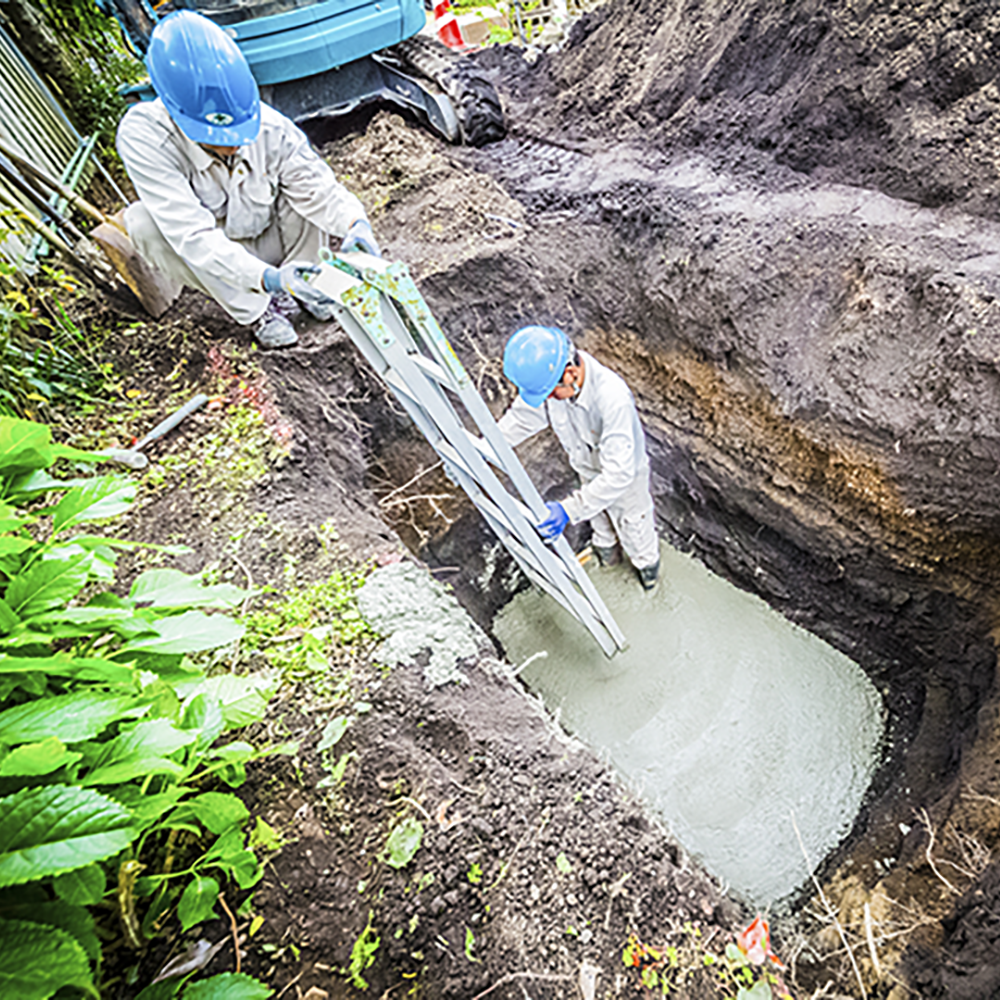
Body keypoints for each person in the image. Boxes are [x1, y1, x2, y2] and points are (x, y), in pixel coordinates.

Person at [116, 9, 380, 349]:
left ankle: (308, 283)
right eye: (217, 137)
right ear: (173, 111)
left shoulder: (269, 127)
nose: (233, 144)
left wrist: (355, 223)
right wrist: (266, 280)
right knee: (142, 223)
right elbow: (191, 234)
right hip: (219, 259)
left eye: (237, 133)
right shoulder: (145, 138)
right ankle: (260, 310)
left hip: (267, 233)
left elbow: (315, 186)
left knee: (298, 186)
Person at [497, 325, 661, 591]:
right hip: (588, 472)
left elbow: (618, 474)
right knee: (601, 527)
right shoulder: (554, 381)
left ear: (571, 374)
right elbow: (522, 418)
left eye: (550, 393)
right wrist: (484, 450)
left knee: (635, 532)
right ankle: (608, 559)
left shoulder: (612, 399)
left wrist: (568, 510)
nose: (548, 399)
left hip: (625, 480)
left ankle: (649, 578)